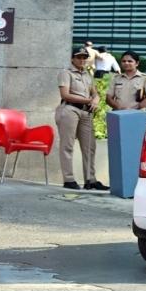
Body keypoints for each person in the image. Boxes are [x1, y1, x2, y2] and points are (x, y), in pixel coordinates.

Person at [55, 48, 107, 191]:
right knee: (68, 145)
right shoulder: (66, 73)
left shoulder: (87, 74)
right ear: (72, 59)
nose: (82, 60)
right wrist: (87, 99)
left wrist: (95, 100)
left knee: (90, 146)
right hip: (70, 109)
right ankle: (69, 179)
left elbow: (95, 93)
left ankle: (90, 180)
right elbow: (65, 94)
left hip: (86, 111)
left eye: (84, 57)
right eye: (79, 57)